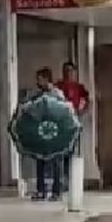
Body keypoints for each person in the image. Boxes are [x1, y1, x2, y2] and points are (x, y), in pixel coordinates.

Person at [33, 67, 67, 201]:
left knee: (56, 162)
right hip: (42, 131)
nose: (38, 82)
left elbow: (64, 111)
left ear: (46, 79)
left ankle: (56, 192)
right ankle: (41, 191)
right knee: (40, 160)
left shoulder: (57, 94)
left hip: (55, 131)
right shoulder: (37, 95)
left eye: (40, 79)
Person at [55, 61, 89, 192]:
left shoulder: (80, 88)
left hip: (73, 124)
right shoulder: (58, 87)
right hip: (60, 125)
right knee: (59, 153)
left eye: (71, 71)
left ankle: (70, 180)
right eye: (66, 71)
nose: (69, 74)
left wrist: (80, 111)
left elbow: (85, 102)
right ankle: (59, 182)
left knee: (71, 152)